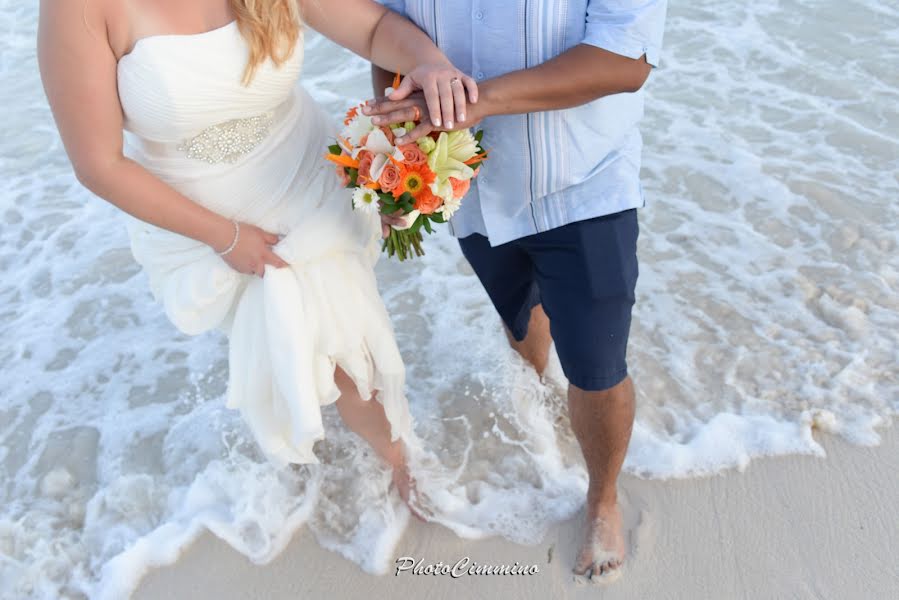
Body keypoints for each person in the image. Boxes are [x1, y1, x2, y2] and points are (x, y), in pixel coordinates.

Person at [36, 0, 477, 514]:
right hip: (203, 212)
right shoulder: (78, 8)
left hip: (306, 171)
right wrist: (224, 236)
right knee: (314, 337)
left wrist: (428, 63)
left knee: (338, 337)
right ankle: (381, 459)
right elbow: (98, 165)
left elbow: (376, 27)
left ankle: (400, 462)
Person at [366, 0, 667, 581]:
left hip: (582, 184)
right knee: (520, 310)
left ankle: (602, 498)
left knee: (597, 365)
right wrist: (400, 146)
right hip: (470, 180)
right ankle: (534, 389)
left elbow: (625, 60)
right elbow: (386, 33)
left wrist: (471, 103)